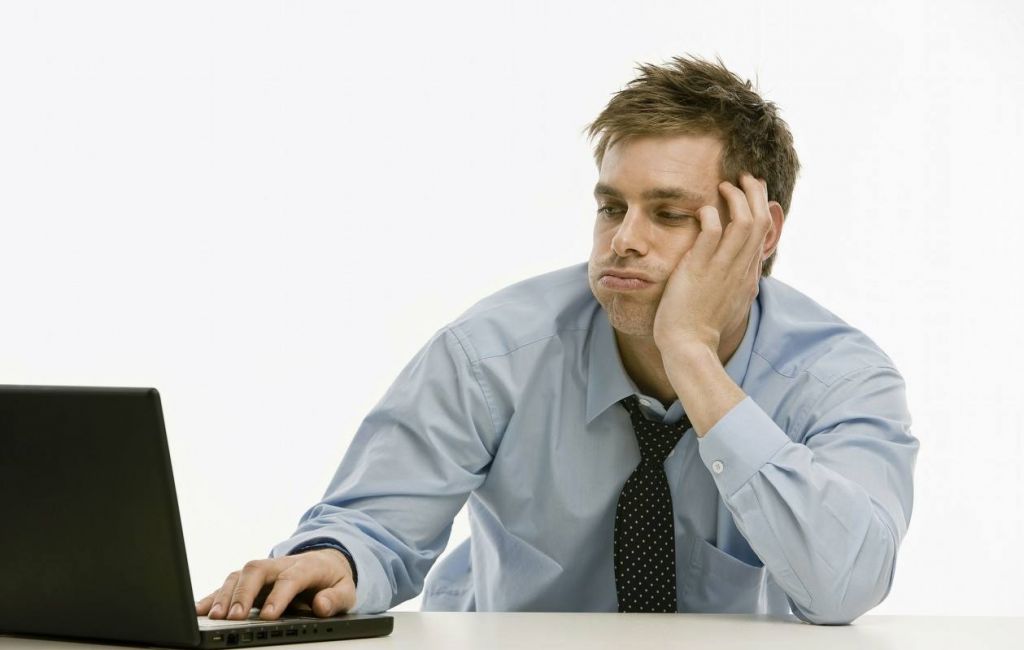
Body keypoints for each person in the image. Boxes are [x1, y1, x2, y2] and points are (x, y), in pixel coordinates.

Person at [195, 54, 919, 626]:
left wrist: (692, 357)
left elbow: (846, 585)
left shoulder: (840, 378)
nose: (624, 240)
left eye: (669, 213)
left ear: (761, 233)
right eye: (611, 207)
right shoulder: (494, 353)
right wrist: (334, 560)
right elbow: (372, 527)